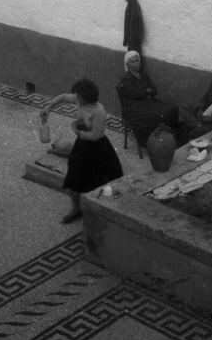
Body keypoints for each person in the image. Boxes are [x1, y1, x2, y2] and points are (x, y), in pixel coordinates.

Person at [40, 78, 123, 224]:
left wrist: (77, 131)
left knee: (101, 178)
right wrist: (49, 106)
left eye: (78, 96)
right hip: (82, 145)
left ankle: (103, 210)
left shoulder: (99, 110)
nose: (76, 98)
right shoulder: (79, 100)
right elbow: (64, 97)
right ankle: (76, 209)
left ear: (86, 98)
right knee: (74, 175)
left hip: (98, 147)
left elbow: (96, 135)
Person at [118, 51, 185, 147]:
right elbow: (136, 94)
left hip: (148, 102)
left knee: (171, 108)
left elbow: (154, 90)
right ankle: (154, 141)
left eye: (138, 60)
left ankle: (171, 137)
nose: (137, 63)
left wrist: (145, 92)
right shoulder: (126, 79)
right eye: (133, 61)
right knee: (157, 115)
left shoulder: (143, 74)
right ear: (128, 64)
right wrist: (147, 91)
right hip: (135, 108)